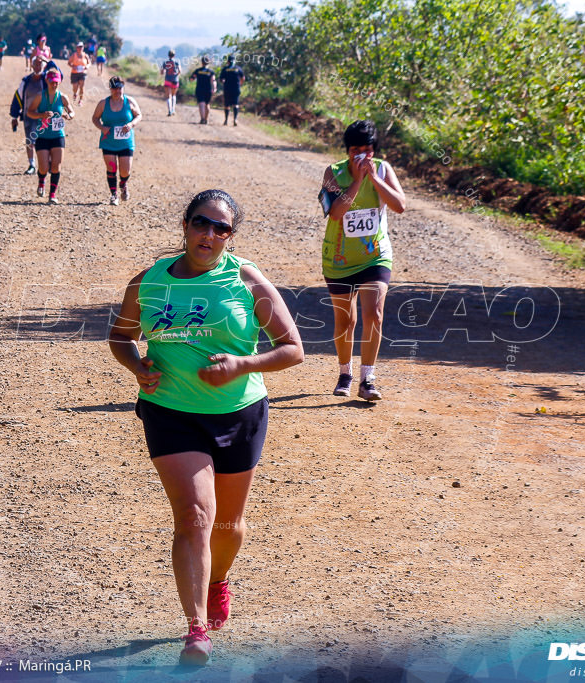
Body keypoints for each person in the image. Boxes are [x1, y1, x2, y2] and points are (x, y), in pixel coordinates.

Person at [108, 189, 304, 666]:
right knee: (195, 515)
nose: (210, 235)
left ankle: (218, 580)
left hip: (239, 413)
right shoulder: (150, 281)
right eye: (202, 223)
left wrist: (242, 363)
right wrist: (138, 366)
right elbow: (119, 335)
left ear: (230, 237)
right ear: (186, 225)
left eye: (222, 229)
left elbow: (292, 347)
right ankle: (196, 629)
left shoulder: (245, 279)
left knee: (228, 526)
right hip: (170, 411)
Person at [319, 120, 406, 400]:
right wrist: (357, 180)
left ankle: (368, 379)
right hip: (339, 258)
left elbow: (400, 205)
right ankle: (345, 374)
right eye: (355, 150)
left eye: (367, 150)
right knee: (346, 322)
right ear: (346, 151)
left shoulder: (383, 168)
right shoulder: (333, 173)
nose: (361, 156)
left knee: (374, 314)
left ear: (374, 150)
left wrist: (374, 179)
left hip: (375, 256)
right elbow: (335, 212)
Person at [25, 68, 74, 205]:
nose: (54, 84)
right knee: (43, 167)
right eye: (52, 82)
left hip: (58, 135)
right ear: (47, 81)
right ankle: (41, 181)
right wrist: (41, 115)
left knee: (56, 167)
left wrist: (69, 116)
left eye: (57, 82)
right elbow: (30, 112)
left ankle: (52, 195)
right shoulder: (40, 96)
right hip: (42, 135)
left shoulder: (63, 97)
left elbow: (72, 111)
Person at [91, 76, 141, 205]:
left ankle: (123, 185)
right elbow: (95, 118)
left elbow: (139, 115)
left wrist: (131, 125)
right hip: (109, 142)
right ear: (110, 89)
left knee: (125, 171)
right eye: (114, 88)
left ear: (122, 88)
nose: (117, 91)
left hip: (125, 142)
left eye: (119, 88)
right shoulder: (103, 103)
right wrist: (102, 127)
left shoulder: (129, 101)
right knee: (111, 168)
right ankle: (114, 195)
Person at [10, 54, 47, 175]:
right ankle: (32, 165)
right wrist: (14, 116)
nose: (37, 67)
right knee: (30, 141)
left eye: (40, 64)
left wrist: (48, 62)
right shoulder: (26, 81)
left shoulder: (47, 80)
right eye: (35, 64)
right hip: (29, 116)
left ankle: (48, 164)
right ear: (31, 65)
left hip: (44, 116)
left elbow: (60, 76)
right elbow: (18, 98)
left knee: (46, 140)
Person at [189, 56, 217, 124]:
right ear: (208, 62)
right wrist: (214, 88)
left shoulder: (198, 71)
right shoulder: (211, 72)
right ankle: (206, 119)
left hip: (199, 89)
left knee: (201, 104)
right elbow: (213, 80)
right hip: (208, 90)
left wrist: (192, 78)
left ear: (202, 62)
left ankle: (202, 119)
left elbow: (191, 79)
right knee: (207, 104)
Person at [219, 55, 245, 126]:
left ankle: (226, 120)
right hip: (236, 88)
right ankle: (235, 119)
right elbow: (243, 78)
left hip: (227, 88)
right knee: (235, 104)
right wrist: (240, 84)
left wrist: (224, 81)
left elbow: (221, 79)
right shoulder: (238, 68)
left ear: (228, 61)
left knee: (227, 105)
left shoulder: (225, 69)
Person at [68, 41, 90, 107]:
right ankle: (75, 93)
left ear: (83, 48)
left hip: (82, 73)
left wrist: (87, 66)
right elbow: (69, 63)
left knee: (81, 87)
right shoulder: (73, 55)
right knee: (75, 87)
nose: (80, 48)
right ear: (76, 48)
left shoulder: (85, 55)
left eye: (81, 47)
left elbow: (89, 63)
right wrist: (73, 66)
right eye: (79, 47)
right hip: (74, 73)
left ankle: (80, 100)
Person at [160, 50, 181, 116]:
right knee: (173, 95)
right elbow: (180, 71)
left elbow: (162, 72)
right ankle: (173, 109)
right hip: (175, 80)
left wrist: (165, 73)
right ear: (174, 55)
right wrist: (176, 75)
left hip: (167, 80)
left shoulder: (165, 62)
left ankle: (169, 111)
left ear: (168, 55)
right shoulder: (177, 62)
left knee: (168, 96)